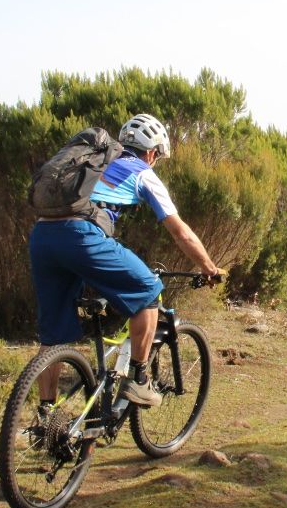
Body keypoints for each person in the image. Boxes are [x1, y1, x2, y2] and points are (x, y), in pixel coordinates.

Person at [28, 113, 221, 407]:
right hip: (81, 237)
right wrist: (208, 267)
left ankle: (46, 415)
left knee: (52, 337)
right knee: (149, 290)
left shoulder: (93, 162)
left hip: (43, 236)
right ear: (153, 152)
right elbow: (179, 232)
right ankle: (139, 381)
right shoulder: (142, 172)